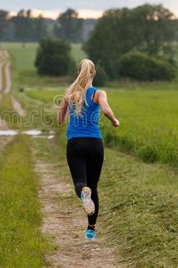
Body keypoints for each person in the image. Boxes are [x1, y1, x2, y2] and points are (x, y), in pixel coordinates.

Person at [58, 58, 119, 240]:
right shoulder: (98, 93)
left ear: (79, 72)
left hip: (75, 143)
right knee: (93, 186)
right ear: (93, 73)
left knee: (80, 182)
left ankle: (83, 195)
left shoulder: (69, 93)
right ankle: (91, 229)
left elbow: (60, 120)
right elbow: (106, 110)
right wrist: (114, 120)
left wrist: (69, 111)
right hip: (94, 144)